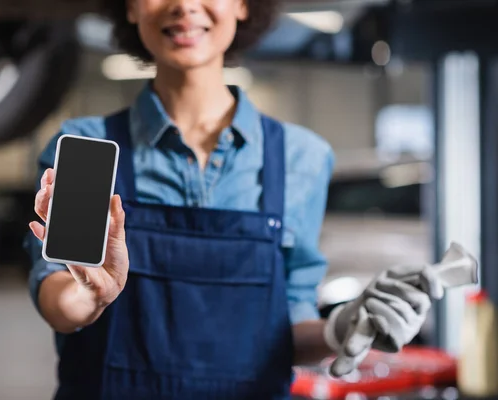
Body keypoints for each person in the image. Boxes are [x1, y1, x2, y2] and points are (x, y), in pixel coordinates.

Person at [26, 0, 441, 398]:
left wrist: (341, 328)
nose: (185, 4)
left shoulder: (302, 158)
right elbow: (55, 294)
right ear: (131, 6)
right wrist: (90, 296)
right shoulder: (88, 147)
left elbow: (287, 326)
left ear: (244, 4)